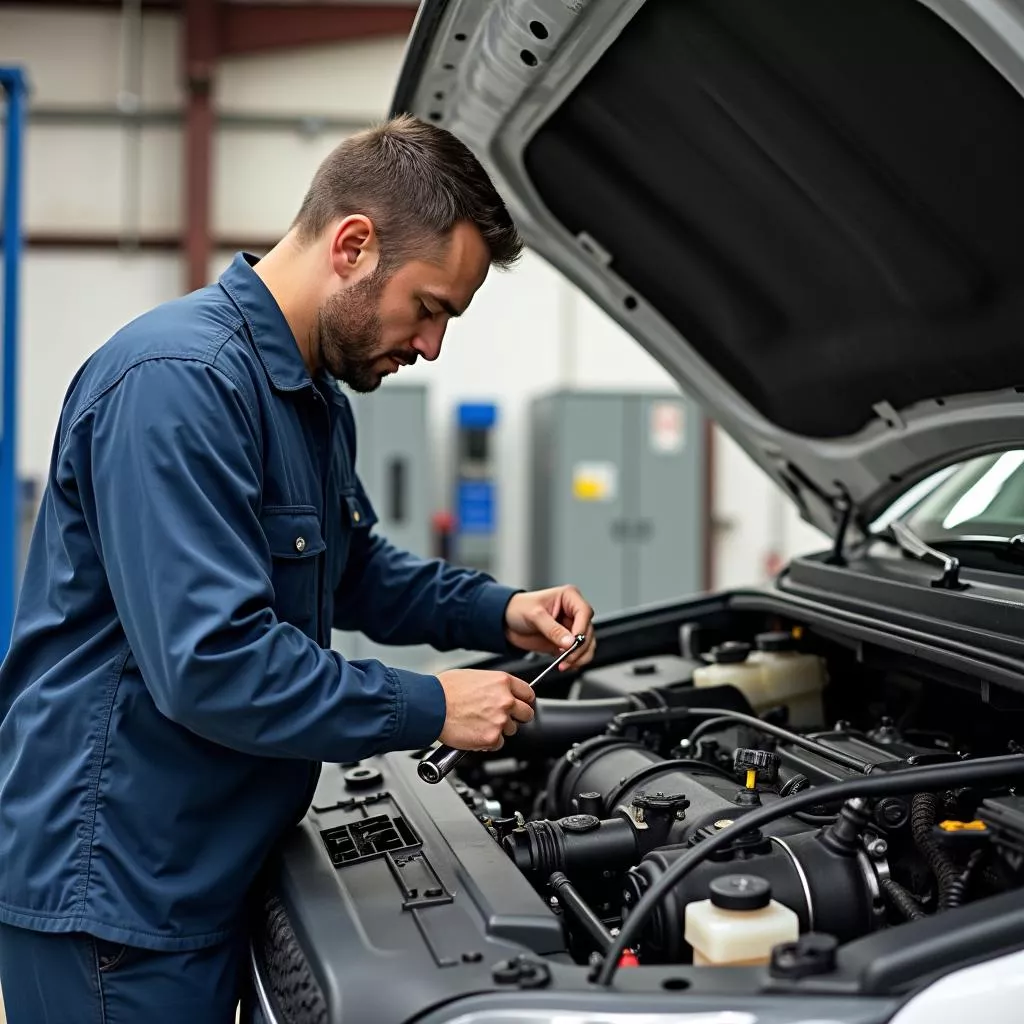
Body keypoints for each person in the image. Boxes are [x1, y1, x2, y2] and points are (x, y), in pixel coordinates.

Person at [0, 114, 596, 1022]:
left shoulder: (309, 395)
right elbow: (215, 664)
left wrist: (502, 610)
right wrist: (432, 704)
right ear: (353, 245)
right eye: (430, 307)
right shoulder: (179, 382)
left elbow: (354, 573)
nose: (432, 345)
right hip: (118, 899)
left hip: (195, 869)